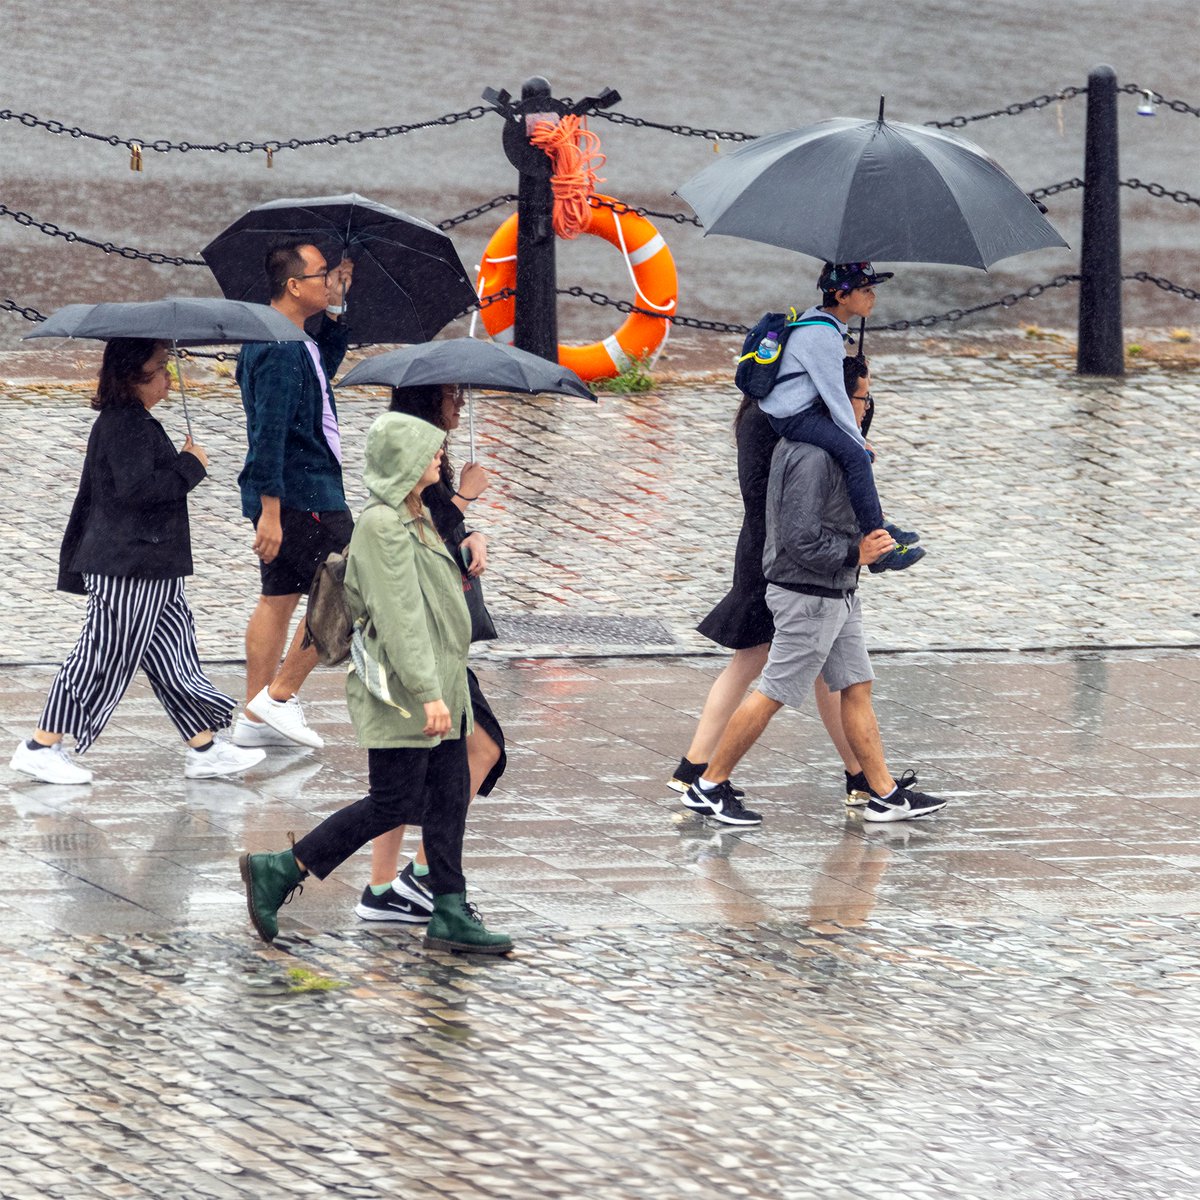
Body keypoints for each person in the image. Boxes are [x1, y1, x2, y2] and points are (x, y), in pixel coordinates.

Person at [239, 413, 512, 954]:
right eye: (431, 451)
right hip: (409, 692)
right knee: (391, 802)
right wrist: (429, 692)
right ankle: (279, 869)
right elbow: (399, 615)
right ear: (405, 465)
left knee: (450, 793)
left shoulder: (415, 518)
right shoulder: (382, 527)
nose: (440, 456)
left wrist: (462, 552)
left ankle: (451, 910)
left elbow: (426, 586)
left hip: (444, 683)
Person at [683, 362, 947, 826]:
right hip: (809, 595)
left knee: (856, 686)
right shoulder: (812, 455)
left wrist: (877, 543)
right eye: (863, 397)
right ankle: (707, 784)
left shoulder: (836, 448)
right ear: (839, 399)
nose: (868, 407)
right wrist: (856, 552)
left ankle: (882, 792)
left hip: (837, 591)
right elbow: (799, 539)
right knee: (773, 692)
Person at [9, 338, 264, 785]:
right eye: (161, 367)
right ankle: (40, 745)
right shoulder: (123, 424)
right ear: (133, 375)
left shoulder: (137, 422)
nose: (170, 377)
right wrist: (190, 465)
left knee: (174, 658)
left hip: (153, 565)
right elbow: (137, 492)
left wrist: (185, 463)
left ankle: (203, 748)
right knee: (100, 653)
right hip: (127, 566)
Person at [353, 382, 507, 924]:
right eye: (451, 396)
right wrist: (464, 498)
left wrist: (473, 527)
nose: (459, 405)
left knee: (417, 773)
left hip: (440, 648)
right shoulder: (408, 481)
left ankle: (399, 884)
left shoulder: (426, 469)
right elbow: (415, 551)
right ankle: (404, 879)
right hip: (426, 655)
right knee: (466, 756)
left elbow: (445, 538)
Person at [232, 239, 355, 751]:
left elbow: (320, 368)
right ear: (293, 285)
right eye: (322, 274)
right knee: (354, 582)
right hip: (306, 496)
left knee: (278, 597)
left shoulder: (286, 337)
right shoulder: (282, 350)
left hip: (297, 493)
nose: (328, 281)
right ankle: (278, 698)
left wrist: (341, 302)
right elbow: (270, 433)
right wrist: (272, 512)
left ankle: (255, 720)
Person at [760, 261, 924, 574]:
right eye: (865, 290)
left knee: (853, 453)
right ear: (842, 296)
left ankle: (876, 525)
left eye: (872, 289)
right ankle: (879, 544)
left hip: (800, 408)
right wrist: (858, 439)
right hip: (793, 415)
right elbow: (837, 398)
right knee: (856, 457)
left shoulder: (825, 324)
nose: (873, 296)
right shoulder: (822, 335)